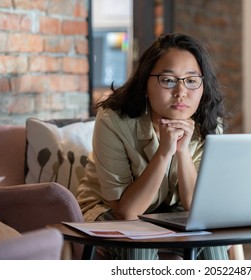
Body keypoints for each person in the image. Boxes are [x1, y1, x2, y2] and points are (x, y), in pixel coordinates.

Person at [76, 32, 228, 260]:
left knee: (210, 237)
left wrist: (182, 151)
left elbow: (198, 210)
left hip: (171, 212)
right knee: (140, 239)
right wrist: (165, 151)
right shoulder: (113, 121)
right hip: (107, 211)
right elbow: (127, 212)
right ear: (146, 84)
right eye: (168, 80)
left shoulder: (208, 125)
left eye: (191, 80)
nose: (181, 92)